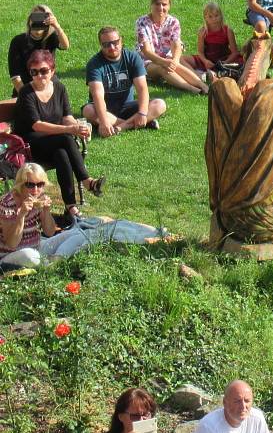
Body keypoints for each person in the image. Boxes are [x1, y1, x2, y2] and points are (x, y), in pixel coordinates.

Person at [14, 50, 105, 221]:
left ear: (52, 71)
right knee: (65, 139)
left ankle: (70, 207)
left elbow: (66, 117)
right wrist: (69, 130)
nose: (39, 75)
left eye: (43, 71)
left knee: (61, 153)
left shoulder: (60, 88)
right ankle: (87, 181)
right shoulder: (27, 93)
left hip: (53, 143)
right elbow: (37, 125)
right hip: (28, 145)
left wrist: (77, 126)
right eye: (34, 72)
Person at [82, 26, 167, 137]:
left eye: (115, 42)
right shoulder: (94, 64)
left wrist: (142, 112)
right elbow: (98, 96)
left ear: (121, 40)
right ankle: (141, 123)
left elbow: (142, 89)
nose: (112, 47)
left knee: (160, 104)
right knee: (88, 110)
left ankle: (121, 127)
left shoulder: (132, 58)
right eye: (106, 45)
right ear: (101, 45)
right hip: (104, 109)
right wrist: (103, 121)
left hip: (127, 106)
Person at [135, 0, 209, 94]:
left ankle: (204, 86)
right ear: (151, 5)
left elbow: (177, 45)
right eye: (157, 4)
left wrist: (174, 61)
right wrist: (164, 62)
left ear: (169, 6)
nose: (161, 8)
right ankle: (194, 90)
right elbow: (146, 51)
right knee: (163, 67)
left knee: (176, 64)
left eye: (164, 4)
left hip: (168, 59)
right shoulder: (142, 22)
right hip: (147, 63)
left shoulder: (173, 22)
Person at [0, 163, 57, 271]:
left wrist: (46, 210)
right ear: (21, 185)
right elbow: (12, 243)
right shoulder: (7, 204)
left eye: (40, 184)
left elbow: (50, 232)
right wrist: (21, 215)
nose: (35, 190)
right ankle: (51, 261)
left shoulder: (38, 198)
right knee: (30, 256)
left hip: (35, 247)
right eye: (30, 185)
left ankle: (52, 260)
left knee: (76, 235)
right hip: (9, 256)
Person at [7, 4, 70, 96]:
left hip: (49, 87)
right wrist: (27, 97)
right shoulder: (18, 41)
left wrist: (57, 26)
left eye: (42, 18)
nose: (38, 21)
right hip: (25, 90)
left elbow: (65, 46)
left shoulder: (51, 38)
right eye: (35, 18)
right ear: (29, 21)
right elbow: (15, 76)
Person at [193, 380, 272, 433]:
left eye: (247, 401)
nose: (243, 406)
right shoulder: (209, 426)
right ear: (225, 402)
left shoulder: (257, 419)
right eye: (237, 401)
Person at [180, 1, 243, 79]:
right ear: (205, 18)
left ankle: (215, 72)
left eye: (216, 15)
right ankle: (197, 74)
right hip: (207, 60)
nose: (214, 19)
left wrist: (225, 62)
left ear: (221, 15)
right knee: (181, 59)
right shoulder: (203, 32)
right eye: (210, 16)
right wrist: (205, 61)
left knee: (242, 63)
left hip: (224, 59)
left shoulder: (227, 30)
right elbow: (200, 52)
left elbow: (234, 52)